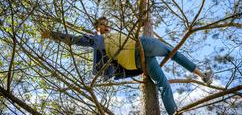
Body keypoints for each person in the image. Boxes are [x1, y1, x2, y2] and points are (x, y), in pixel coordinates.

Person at [41, 17, 213, 115]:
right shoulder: (99, 40)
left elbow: (131, 38)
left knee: (164, 83)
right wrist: (52, 35)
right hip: (137, 58)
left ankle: (199, 78)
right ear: (98, 28)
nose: (106, 25)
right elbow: (76, 40)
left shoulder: (117, 33)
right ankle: (201, 75)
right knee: (170, 51)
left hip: (141, 50)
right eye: (103, 23)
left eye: (107, 22)